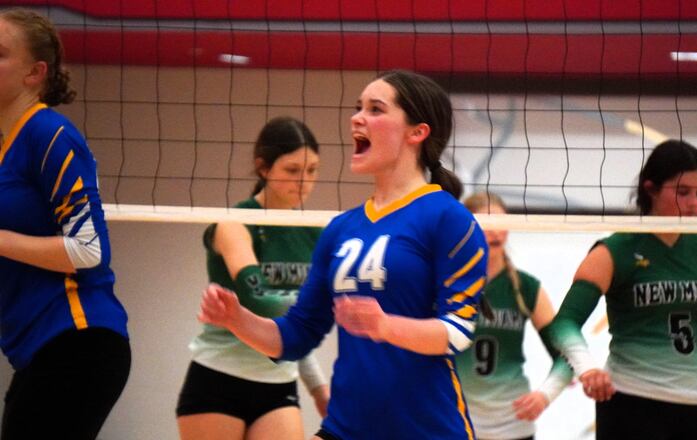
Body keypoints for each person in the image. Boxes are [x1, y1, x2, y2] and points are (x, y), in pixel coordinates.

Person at [198, 70, 488, 440]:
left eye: (375, 109)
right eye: (358, 108)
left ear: (417, 132)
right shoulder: (341, 229)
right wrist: (238, 319)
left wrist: (386, 326)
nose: (357, 117)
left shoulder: (448, 218)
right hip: (347, 427)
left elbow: (458, 332)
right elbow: (297, 334)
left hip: (426, 428)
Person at [547, 140, 697, 440]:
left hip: (695, 405)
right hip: (631, 403)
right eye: (683, 192)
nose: (694, 204)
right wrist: (588, 369)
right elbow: (564, 323)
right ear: (651, 189)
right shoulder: (616, 250)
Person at [0, 9, 131, 440]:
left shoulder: (50, 133)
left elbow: (88, 250)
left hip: (78, 339)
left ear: (34, 73)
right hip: (38, 349)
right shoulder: (10, 145)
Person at [176, 116, 330, 440]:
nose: (304, 182)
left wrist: (318, 389)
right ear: (263, 168)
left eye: (312, 170)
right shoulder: (234, 223)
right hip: (218, 380)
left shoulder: (314, 233)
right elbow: (258, 300)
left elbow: (296, 328)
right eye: (292, 170)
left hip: (278, 385)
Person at [456, 192, 572, 440]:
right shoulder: (447, 285)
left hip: (512, 425)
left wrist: (545, 395)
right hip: (456, 423)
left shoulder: (526, 287)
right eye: (488, 224)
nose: (496, 232)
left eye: (501, 224)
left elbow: (567, 356)